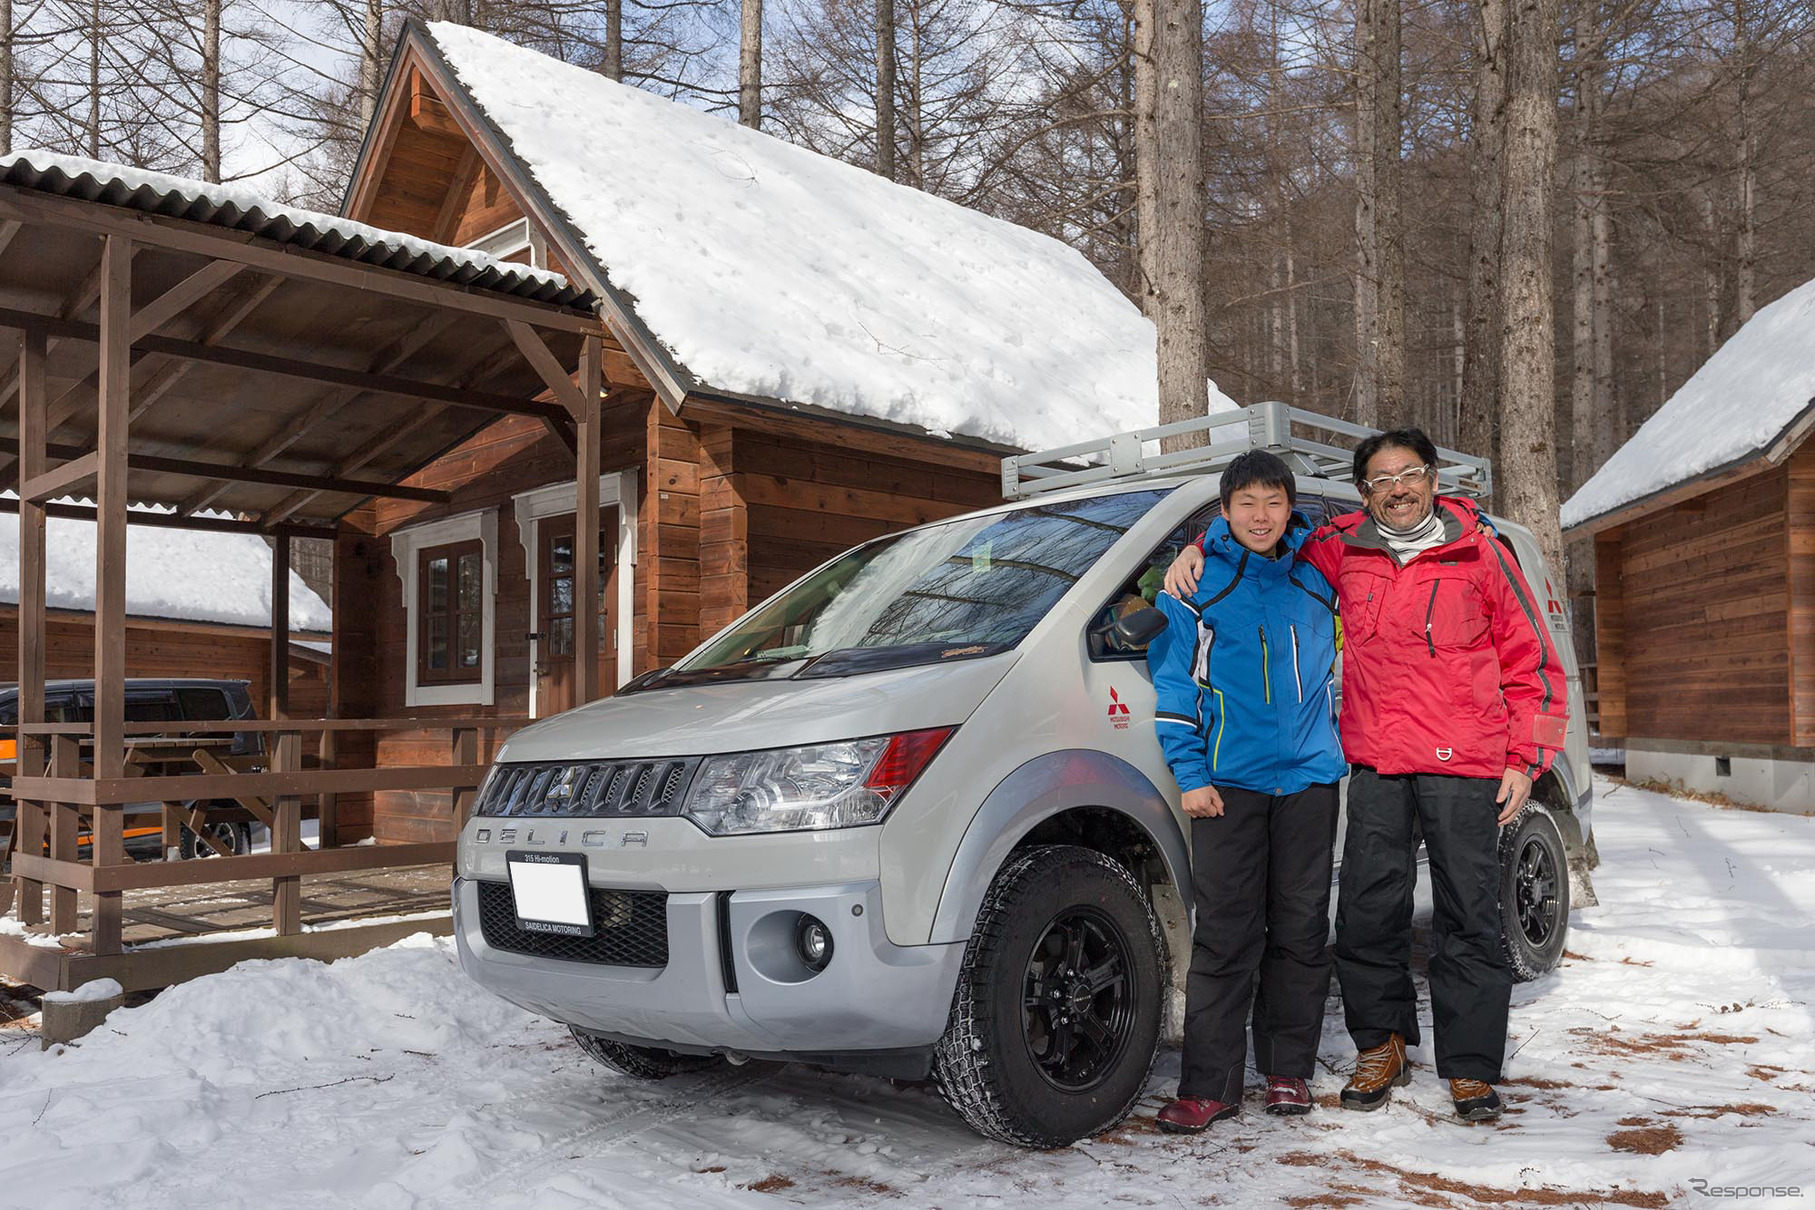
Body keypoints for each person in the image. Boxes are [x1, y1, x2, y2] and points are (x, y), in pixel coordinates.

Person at [1164, 429, 1567, 1122]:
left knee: (1469, 914)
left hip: (1464, 762)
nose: (1397, 488)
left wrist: (1523, 759)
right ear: (1362, 492)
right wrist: (1193, 548)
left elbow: (1531, 663)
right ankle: (1380, 1045)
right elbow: (1258, 544)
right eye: (1381, 479)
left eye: (1409, 473)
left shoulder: (1482, 552)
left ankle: (1469, 1067)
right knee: (1366, 914)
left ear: (1432, 478)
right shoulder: (1338, 549)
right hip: (1375, 761)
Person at [1146, 451, 1346, 1132]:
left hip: (1311, 779)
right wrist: (1191, 775)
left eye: (1272, 501)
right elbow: (1172, 688)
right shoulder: (1194, 586)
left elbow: (1369, 524)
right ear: (1224, 510)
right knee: (1225, 936)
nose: (1260, 516)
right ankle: (1209, 1086)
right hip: (1227, 785)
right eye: (1245, 503)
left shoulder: (1320, 572)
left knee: (1300, 930)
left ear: (1290, 507)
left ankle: (1287, 1072)